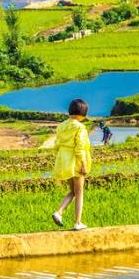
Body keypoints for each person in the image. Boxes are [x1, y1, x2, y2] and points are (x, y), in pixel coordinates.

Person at [51, 99, 92, 231]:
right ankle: (78, 222)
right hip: (76, 162)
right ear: (83, 114)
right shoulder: (80, 128)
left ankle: (59, 212)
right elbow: (79, 148)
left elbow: (56, 145)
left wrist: (60, 161)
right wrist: (84, 165)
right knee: (79, 193)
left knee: (73, 191)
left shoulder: (61, 126)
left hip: (64, 161)